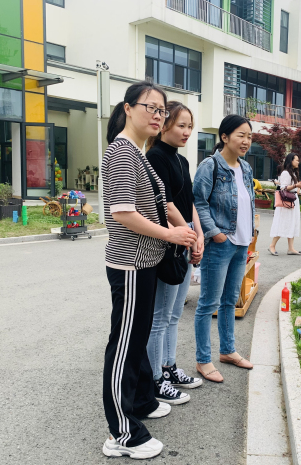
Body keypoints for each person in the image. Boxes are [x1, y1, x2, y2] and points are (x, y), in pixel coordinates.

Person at [100, 81, 198, 460]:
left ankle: (140, 402)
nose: (157, 115)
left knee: (137, 340)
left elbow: (163, 202)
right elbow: (123, 213)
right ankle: (121, 434)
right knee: (123, 347)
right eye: (150, 108)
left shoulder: (137, 153)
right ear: (128, 108)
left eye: (161, 110)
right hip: (129, 265)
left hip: (144, 264)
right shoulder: (122, 153)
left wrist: (186, 232)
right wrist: (171, 234)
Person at [145, 101, 204, 406]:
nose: (186, 132)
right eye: (181, 125)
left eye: (190, 126)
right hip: (168, 241)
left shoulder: (181, 160)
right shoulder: (155, 157)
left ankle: (168, 368)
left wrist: (198, 235)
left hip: (185, 237)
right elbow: (165, 205)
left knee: (175, 314)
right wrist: (189, 236)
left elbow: (188, 202)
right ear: (164, 125)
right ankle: (155, 379)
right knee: (160, 316)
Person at [193, 114, 256, 383]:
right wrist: (215, 233)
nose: (246, 141)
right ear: (225, 137)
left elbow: (248, 200)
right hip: (220, 244)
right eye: (241, 135)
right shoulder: (210, 166)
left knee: (230, 301)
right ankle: (203, 359)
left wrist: (250, 232)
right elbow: (198, 201)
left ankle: (228, 351)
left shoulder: (246, 167)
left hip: (241, 244)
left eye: (249, 136)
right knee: (208, 303)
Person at [268, 153, 301, 256]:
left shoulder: (293, 172)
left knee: (292, 223)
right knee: (283, 223)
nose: (298, 162)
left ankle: (291, 248)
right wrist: (295, 185)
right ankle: (272, 245)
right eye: (296, 160)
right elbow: (283, 187)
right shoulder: (285, 173)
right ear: (291, 161)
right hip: (287, 202)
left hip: (293, 200)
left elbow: (292, 187)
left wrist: (297, 187)